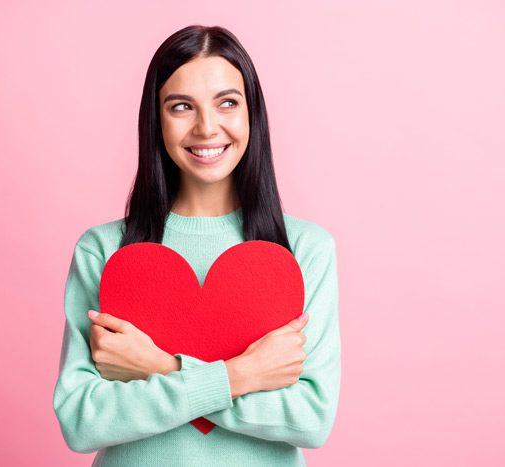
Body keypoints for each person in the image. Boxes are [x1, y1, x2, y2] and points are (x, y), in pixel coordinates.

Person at [52, 24, 341, 467]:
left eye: (227, 102)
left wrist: (159, 368)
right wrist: (243, 375)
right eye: (182, 106)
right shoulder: (104, 250)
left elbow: (310, 419)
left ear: (252, 115)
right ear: (156, 120)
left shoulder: (304, 249)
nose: (207, 128)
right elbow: (81, 421)